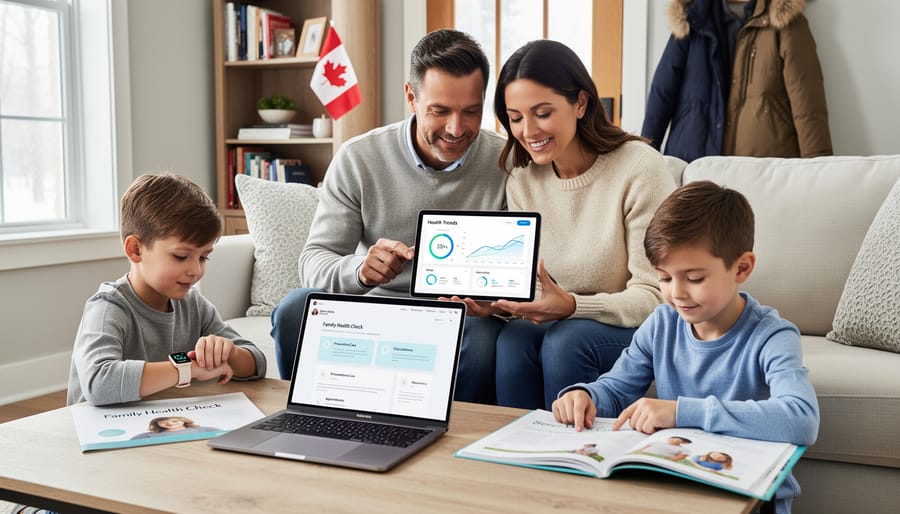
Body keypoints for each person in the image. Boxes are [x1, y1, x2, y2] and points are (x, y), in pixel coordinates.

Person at [552, 180, 820, 514]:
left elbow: (801, 419)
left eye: (693, 278)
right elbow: (617, 390)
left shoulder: (772, 336)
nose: (676, 293)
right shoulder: (661, 324)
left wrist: (680, 412)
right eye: (665, 278)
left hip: (750, 499)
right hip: (675, 487)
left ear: (742, 268)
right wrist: (586, 396)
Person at [270, 29, 507, 404]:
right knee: (293, 309)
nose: (456, 129)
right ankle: (307, 420)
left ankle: (456, 446)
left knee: (484, 341)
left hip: (464, 318)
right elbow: (314, 262)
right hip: (377, 307)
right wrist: (361, 270)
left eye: (471, 111)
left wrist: (491, 302)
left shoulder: (507, 163)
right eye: (440, 110)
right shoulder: (359, 158)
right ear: (411, 97)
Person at [483, 39, 675, 409]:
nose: (528, 131)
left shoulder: (639, 168)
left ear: (580, 103)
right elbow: (533, 292)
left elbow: (656, 296)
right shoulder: (523, 180)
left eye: (542, 113)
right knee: (513, 340)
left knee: (566, 342)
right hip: (563, 323)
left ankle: (577, 456)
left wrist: (573, 306)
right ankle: (515, 459)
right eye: (516, 117)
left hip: (632, 325)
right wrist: (496, 303)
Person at [67, 173, 267, 406]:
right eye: (181, 256)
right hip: (101, 433)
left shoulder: (194, 305)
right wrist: (189, 369)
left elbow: (257, 362)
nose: (195, 270)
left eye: (203, 258)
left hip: (161, 427)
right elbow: (100, 383)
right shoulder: (108, 307)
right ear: (135, 249)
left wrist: (229, 352)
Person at [130, 416, 220, 440]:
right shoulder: (147, 435)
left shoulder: (206, 429)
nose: (169, 424)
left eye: (175, 421)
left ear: (183, 421)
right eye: (163, 422)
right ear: (158, 424)